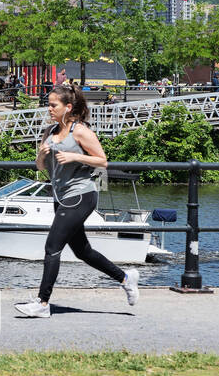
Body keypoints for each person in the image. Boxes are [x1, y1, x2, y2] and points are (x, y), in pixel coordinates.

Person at [14, 83, 138, 319]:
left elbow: (102, 161)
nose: (49, 109)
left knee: (52, 247)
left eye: (53, 105)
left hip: (81, 194)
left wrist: (74, 155)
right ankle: (125, 278)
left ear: (67, 107)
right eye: (48, 105)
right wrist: (40, 156)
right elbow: (41, 167)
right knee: (83, 251)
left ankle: (42, 303)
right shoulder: (49, 132)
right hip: (60, 197)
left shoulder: (79, 132)